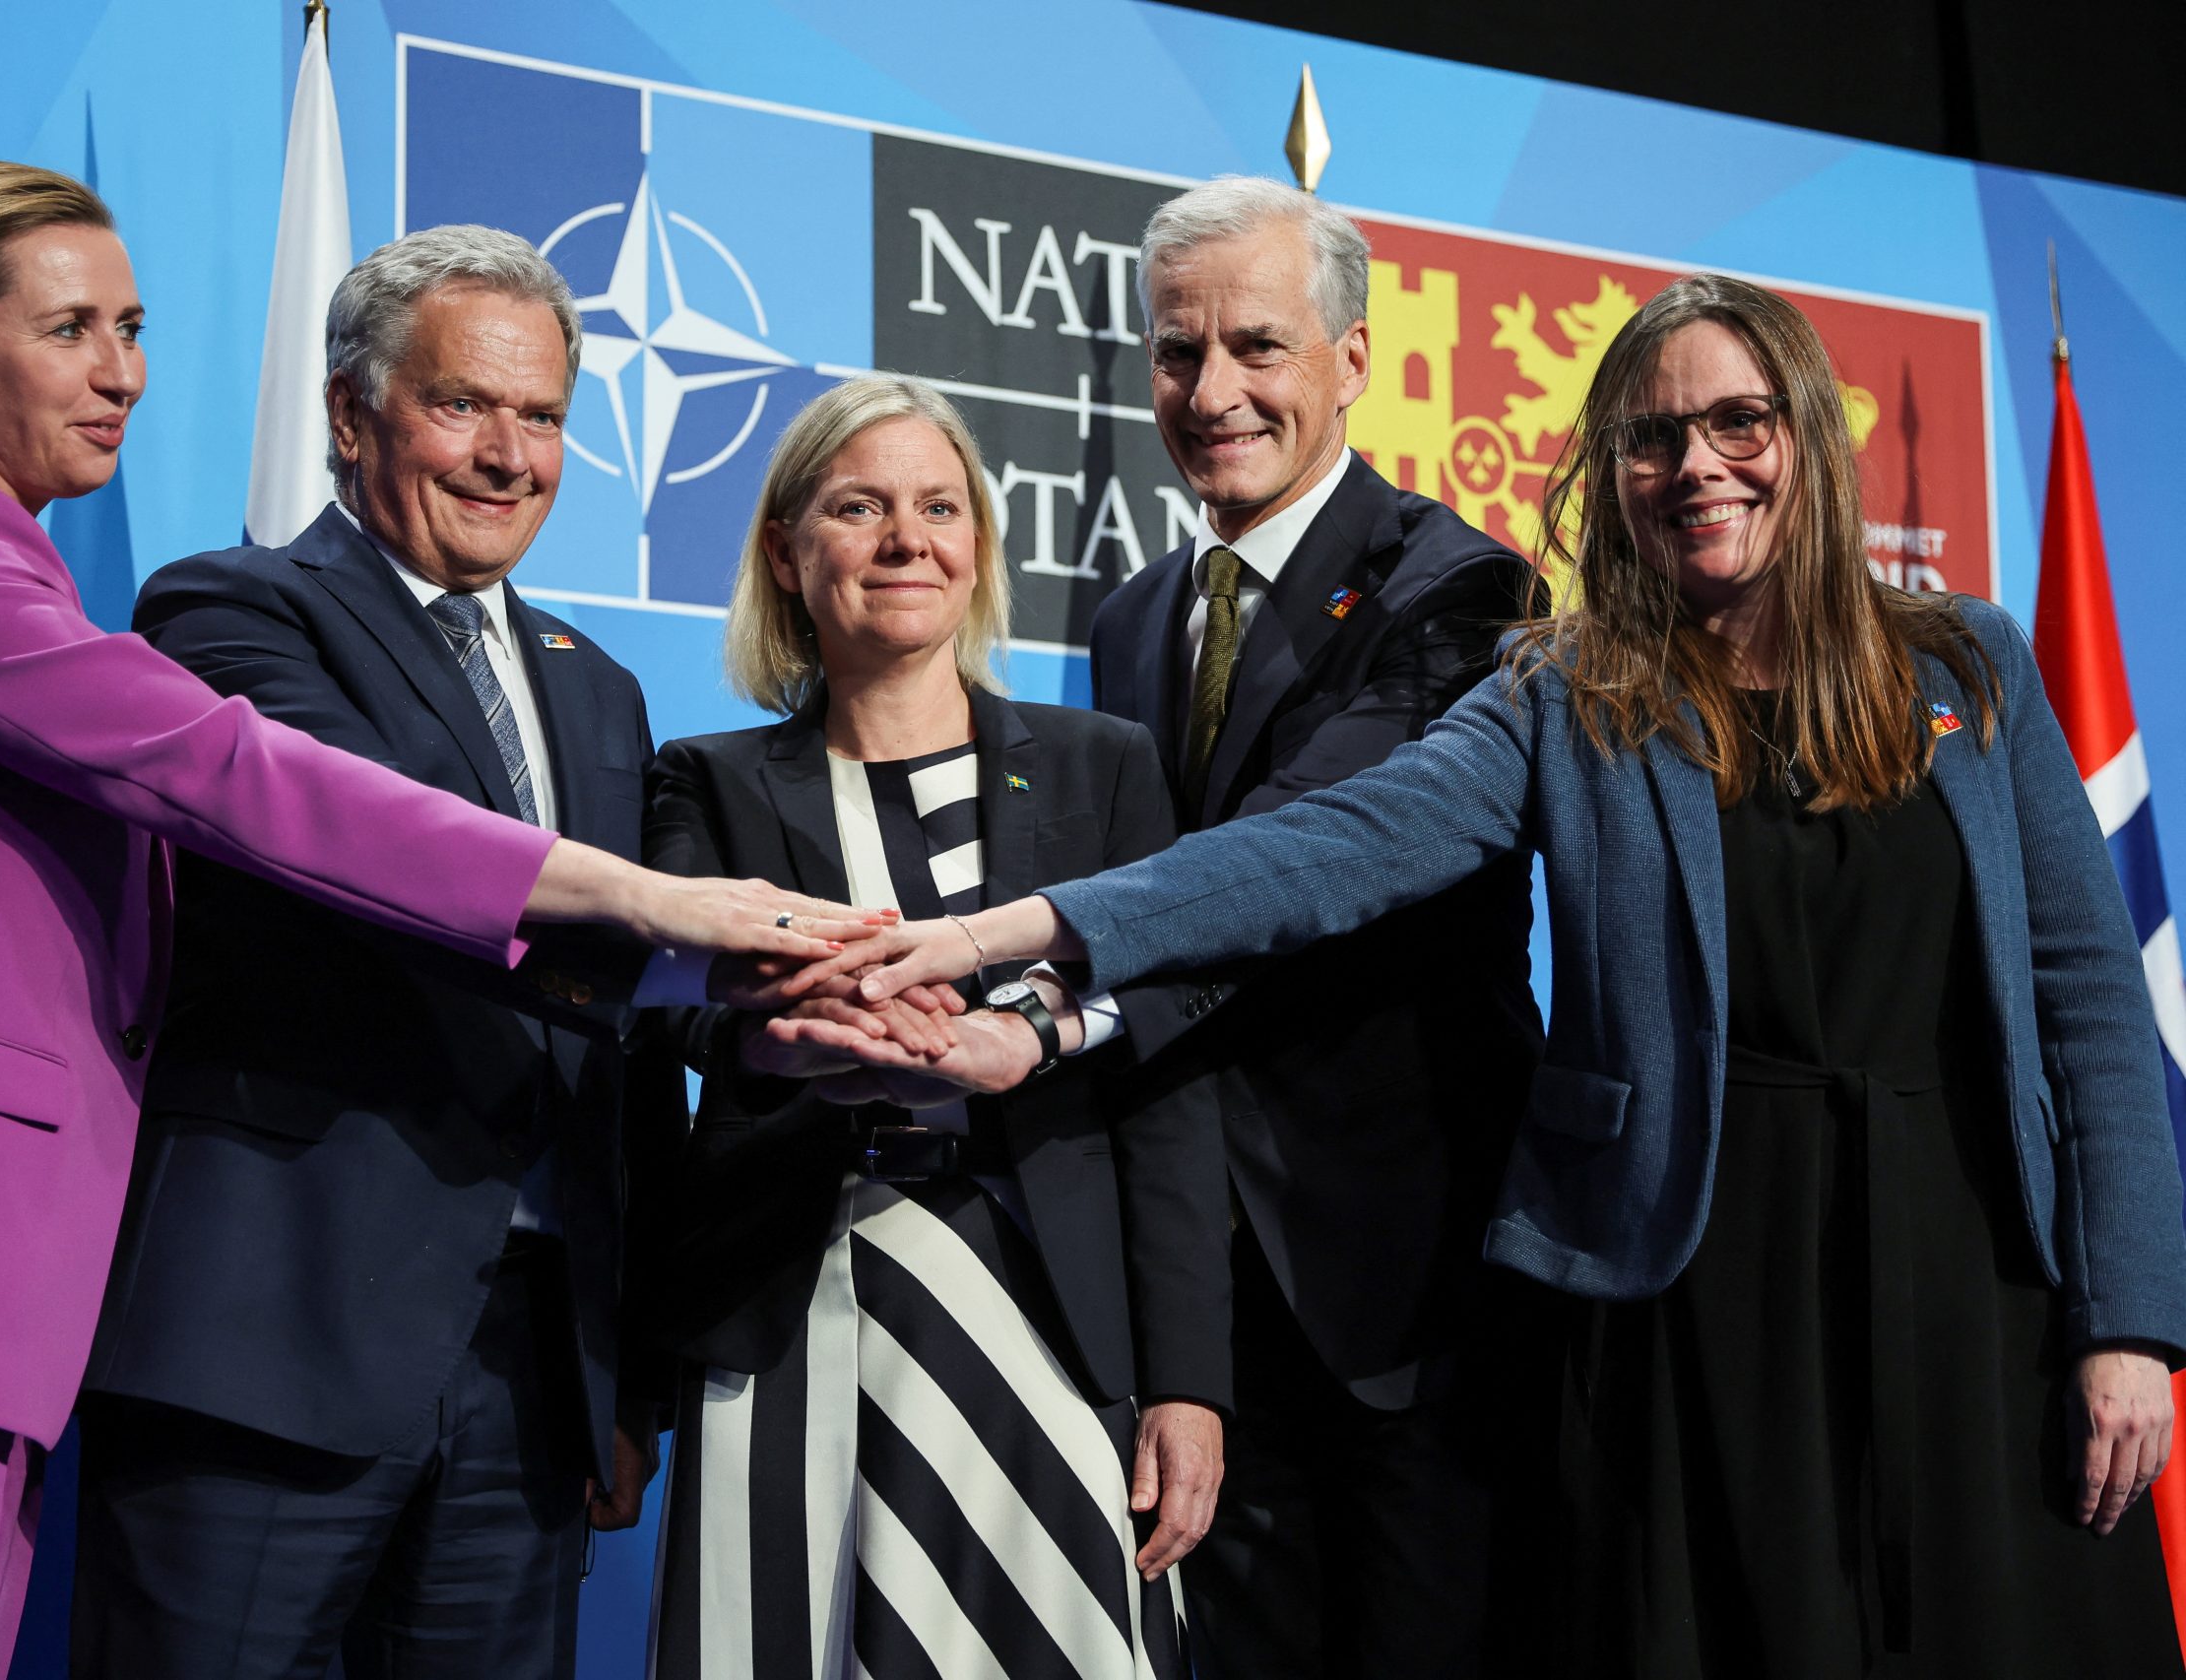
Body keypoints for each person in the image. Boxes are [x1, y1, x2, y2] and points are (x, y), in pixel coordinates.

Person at [813, 273, 2186, 1678]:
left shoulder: (1967, 666)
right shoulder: (1572, 690)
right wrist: (1012, 931)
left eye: (1736, 423)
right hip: (1692, 1304)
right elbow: (1324, 848)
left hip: (1975, 1283)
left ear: (1809, 439)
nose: (1694, 467)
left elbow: (2089, 1010)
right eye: (1650, 439)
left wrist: (2129, 1319)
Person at [0, 162, 870, 1680]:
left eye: (133, 324)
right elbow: (234, 774)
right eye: (69, 329)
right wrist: (632, 891)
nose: (122, 372)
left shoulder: (5, 560)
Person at [69, 226, 729, 1677]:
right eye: (462, 406)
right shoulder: (228, 608)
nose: (509, 455)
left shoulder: (601, 692)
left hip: (527, 1379)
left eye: (544, 416)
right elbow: (386, 857)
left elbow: (619, 1059)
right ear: (353, 412)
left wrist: (625, 1374)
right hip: (272, 1347)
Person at [641, 375, 1230, 1680]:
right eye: (858, 507)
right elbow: (677, 1018)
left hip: (1047, 1317)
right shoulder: (704, 778)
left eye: (938, 506)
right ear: (789, 555)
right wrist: (783, 1040)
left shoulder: (1104, 764)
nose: (906, 540)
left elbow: (1170, 1063)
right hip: (787, 1311)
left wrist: (1190, 1379)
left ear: (978, 547)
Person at [1077, 175, 1544, 1679]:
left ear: (1352, 359)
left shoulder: (1464, 588)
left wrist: (1034, 993)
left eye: (1257, 348)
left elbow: (1284, 867)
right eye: (1175, 352)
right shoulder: (1131, 618)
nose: (1212, 392)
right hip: (1205, 1312)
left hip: (1407, 1299)